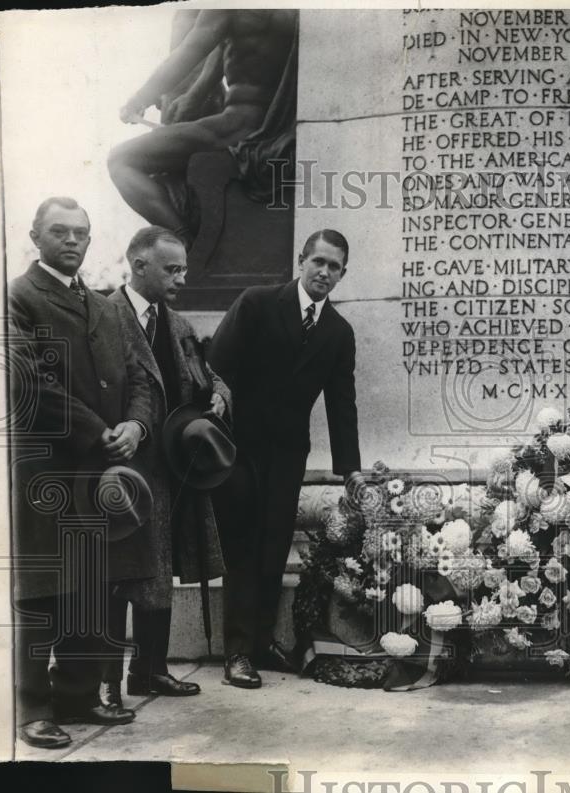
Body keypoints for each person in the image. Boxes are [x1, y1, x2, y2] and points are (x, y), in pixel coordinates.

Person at [8, 197, 152, 748]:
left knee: (88, 585)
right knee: (41, 591)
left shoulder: (105, 306)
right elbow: (27, 381)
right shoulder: (18, 297)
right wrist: (99, 430)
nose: (71, 241)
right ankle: (32, 707)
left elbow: (139, 377)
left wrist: (136, 426)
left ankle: (78, 693)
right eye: (59, 231)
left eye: (81, 233)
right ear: (36, 237)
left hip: (99, 471)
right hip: (47, 470)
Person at [208, 229, 362, 688]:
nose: (324, 272)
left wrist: (350, 469)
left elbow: (342, 402)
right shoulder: (256, 303)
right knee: (243, 546)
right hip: (239, 448)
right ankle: (237, 651)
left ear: (343, 275)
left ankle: (260, 642)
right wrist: (214, 407)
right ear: (301, 261)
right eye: (318, 262)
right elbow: (216, 364)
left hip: (289, 453)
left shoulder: (338, 332)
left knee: (275, 546)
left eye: (334, 267)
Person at [101, 227, 231, 706]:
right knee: (117, 577)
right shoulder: (104, 317)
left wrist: (220, 394)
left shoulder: (178, 325)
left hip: (172, 469)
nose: (182, 278)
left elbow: (207, 374)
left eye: (184, 269)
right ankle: (106, 682)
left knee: (160, 571)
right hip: (122, 469)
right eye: (172, 269)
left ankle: (150, 671)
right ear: (139, 266)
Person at [108, 9, 297, 244]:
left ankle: (185, 242)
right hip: (277, 127)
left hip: (234, 126)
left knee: (120, 160)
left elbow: (189, 52)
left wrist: (139, 99)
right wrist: (196, 94)